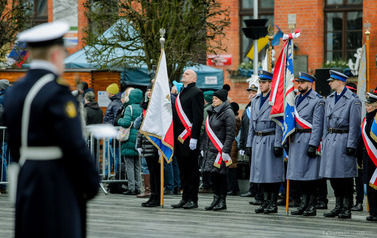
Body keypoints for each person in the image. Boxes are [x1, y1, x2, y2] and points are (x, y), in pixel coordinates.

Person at [3, 22, 99, 238]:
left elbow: (15, 142)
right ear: (56, 55)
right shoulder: (57, 92)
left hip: (27, 173)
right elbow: (74, 143)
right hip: (56, 178)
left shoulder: (14, 92)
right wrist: (91, 181)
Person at [320, 70, 361, 219]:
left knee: (345, 177)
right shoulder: (329, 99)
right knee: (333, 176)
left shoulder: (352, 100)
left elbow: (355, 125)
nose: (329, 83)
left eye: (332, 81)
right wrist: (324, 140)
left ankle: (346, 207)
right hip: (331, 139)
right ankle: (337, 205)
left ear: (340, 82)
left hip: (344, 140)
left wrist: (351, 144)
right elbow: (325, 123)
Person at [286, 72, 325, 216]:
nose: (299, 85)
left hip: (308, 139)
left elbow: (318, 125)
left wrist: (314, 144)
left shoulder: (317, 100)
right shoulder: (295, 98)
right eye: (298, 82)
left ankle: (311, 205)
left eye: (302, 82)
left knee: (310, 177)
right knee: (299, 176)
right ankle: (303, 203)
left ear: (310, 84)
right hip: (296, 139)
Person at [246, 70, 284, 214]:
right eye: (260, 82)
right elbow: (252, 125)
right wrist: (249, 144)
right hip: (257, 139)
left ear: (270, 84)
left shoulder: (275, 100)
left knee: (272, 173)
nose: (260, 85)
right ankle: (265, 201)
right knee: (260, 173)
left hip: (270, 138)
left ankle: (272, 203)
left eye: (263, 82)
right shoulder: (255, 100)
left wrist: (278, 144)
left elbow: (279, 123)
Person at [171, 69, 204, 209]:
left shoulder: (196, 92)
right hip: (179, 138)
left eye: (187, 74)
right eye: (184, 73)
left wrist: (194, 137)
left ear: (194, 79)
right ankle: (184, 198)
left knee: (192, 170)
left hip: (189, 137)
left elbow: (198, 116)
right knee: (183, 169)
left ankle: (193, 199)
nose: (184, 75)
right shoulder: (181, 93)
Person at [201, 89, 235, 210]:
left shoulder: (228, 113)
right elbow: (207, 132)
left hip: (220, 150)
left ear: (222, 100)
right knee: (213, 174)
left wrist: (225, 150)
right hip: (210, 149)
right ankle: (215, 199)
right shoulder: (213, 112)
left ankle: (222, 201)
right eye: (213, 98)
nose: (213, 100)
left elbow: (230, 134)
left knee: (221, 175)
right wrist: (203, 147)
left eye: (216, 99)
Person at [117, 88, 143, 195]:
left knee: (129, 164)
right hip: (139, 137)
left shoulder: (129, 107)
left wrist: (119, 120)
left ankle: (131, 187)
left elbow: (126, 122)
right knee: (137, 165)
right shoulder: (142, 108)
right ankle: (138, 187)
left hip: (129, 138)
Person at [346, 82, 364, 212]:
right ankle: (349, 200)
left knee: (359, 175)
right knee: (346, 175)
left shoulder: (356, 103)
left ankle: (359, 201)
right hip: (345, 142)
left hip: (359, 144)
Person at [361, 88, 377, 221]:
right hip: (368, 156)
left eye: (369, 105)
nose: (366, 107)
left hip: (376, 156)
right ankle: (373, 212)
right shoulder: (366, 119)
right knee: (370, 187)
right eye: (366, 104)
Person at [199, 90, 214, 193]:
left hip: (205, 140)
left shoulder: (206, 110)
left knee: (204, 162)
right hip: (209, 140)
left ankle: (206, 184)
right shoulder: (211, 108)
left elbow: (203, 126)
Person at [227, 101, 241, 196]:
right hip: (233, 143)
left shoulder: (234, 119)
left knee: (231, 166)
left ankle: (232, 188)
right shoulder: (237, 118)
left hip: (232, 144)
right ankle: (233, 188)